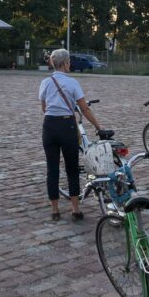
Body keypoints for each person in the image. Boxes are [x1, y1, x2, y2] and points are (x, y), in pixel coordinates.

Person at [39, 48, 103, 221]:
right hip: (67, 125)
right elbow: (84, 108)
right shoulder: (72, 82)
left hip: (49, 126)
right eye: (69, 62)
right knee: (72, 168)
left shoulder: (45, 82)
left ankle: (55, 210)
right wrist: (98, 126)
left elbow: (44, 108)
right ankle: (75, 208)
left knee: (52, 168)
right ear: (66, 63)